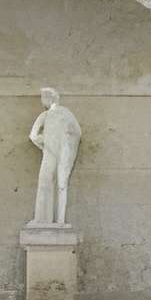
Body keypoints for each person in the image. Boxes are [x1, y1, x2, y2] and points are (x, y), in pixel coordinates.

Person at [29, 87, 84, 226]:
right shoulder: (66, 113)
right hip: (61, 152)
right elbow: (76, 132)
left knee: (46, 183)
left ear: (49, 98)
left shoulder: (45, 115)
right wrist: (65, 143)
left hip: (50, 153)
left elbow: (33, 136)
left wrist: (45, 142)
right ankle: (59, 220)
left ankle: (43, 220)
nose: (42, 101)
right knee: (61, 184)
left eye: (43, 98)